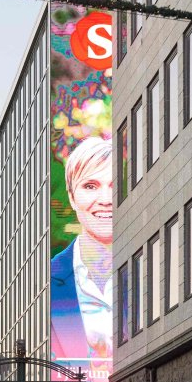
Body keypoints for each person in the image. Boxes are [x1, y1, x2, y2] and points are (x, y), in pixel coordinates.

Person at [51, 137, 113, 362]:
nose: (105, 199)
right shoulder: (46, 280)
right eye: (90, 186)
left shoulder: (152, 266)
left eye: (115, 186)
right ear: (72, 196)